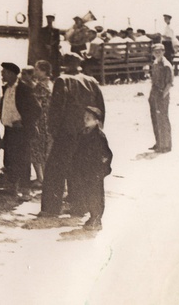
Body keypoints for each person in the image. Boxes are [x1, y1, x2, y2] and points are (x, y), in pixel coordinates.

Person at [39, 53, 105, 219]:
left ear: (65, 63)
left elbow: (56, 109)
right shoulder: (92, 81)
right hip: (86, 133)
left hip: (66, 132)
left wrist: (53, 130)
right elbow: (100, 109)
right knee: (79, 169)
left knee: (55, 170)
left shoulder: (63, 80)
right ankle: (79, 207)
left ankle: (51, 208)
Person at [0, 62, 40, 199]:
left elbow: (36, 110)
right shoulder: (6, 89)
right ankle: (13, 187)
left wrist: (23, 122)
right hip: (9, 129)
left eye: (4, 72)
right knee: (9, 159)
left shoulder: (24, 89)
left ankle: (25, 190)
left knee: (23, 160)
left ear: (11, 74)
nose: (2, 75)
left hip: (21, 131)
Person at [73, 106, 112, 231]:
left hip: (95, 171)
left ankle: (97, 219)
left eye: (88, 118)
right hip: (84, 170)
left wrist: (102, 169)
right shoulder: (82, 133)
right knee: (87, 193)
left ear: (96, 121)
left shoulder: (99, 136)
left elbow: (107, 154)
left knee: (96, 195)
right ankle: (92, 216)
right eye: (84, 118)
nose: (85, 120)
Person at [28, 61, 54, 183]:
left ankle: (41, 178)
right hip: (48, 120)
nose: (35, 72)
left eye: (37, 70)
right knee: (45, 150)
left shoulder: (39, 87)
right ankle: (44, 178)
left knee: (37, 149)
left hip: (40, 121)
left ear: (44, 71)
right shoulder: (51, 84)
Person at [148, 43, 173, 153]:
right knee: (155, 119)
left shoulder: (166, 65)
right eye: (155, 51)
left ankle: (165, 145)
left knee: (162, 119)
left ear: (163, 52)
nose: (157, 53)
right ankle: (159, 143)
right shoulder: (155, 63)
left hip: (162, 94)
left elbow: (169, 83)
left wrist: (162, 97)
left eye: (159, 51)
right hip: (154, 93)